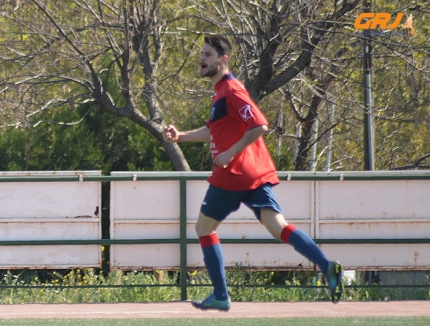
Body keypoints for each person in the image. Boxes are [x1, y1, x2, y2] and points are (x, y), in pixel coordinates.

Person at [163, 35, 343, 311]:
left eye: (208, 54)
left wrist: (230, 153)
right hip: (253, 173)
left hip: (234, 174)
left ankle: (221, 295)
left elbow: (260, 125)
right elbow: (214, 130)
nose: (202, 58)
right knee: (277, 227)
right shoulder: (221, 91)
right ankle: (326, 265)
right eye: (201, 53)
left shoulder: (231, 90)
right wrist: (181, 137)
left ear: (224, 60)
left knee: (203, 228)